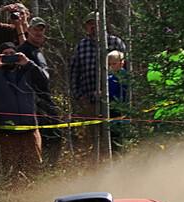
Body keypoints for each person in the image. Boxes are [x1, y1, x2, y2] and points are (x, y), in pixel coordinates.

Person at [0, 42, 48, 180]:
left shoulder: (27, 71)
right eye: (5, 54)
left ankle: (36, 194)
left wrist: (28, 63)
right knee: (10, 170)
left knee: (34, 168)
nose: (9, 57)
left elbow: (44, 81)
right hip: (7, 132)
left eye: (12, 54)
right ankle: (14, 197)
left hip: (30, 129)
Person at [69, 11, 127, 156]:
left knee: (116, 140)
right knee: (93, 141)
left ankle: (119, 167)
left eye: (96, 23)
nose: (93, 26)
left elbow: (128, 71)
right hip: (90, 102)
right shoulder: (81, 46)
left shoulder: (115, 42)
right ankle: (96, 172)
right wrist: (78, 96)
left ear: (103, 24)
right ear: (86, 27)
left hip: (115, 103)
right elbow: (74, 72)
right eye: (90, 24)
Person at [18, 17, 63, 165]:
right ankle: (44, 171)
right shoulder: (24, 51)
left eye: (41, 30)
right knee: (49, 137)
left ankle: (48, 170)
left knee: (55, 135)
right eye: (35, 29)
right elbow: (43, 77)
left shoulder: (36, 51)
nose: (38, 32)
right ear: (28, 30)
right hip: (34, 103)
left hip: (42, 101)